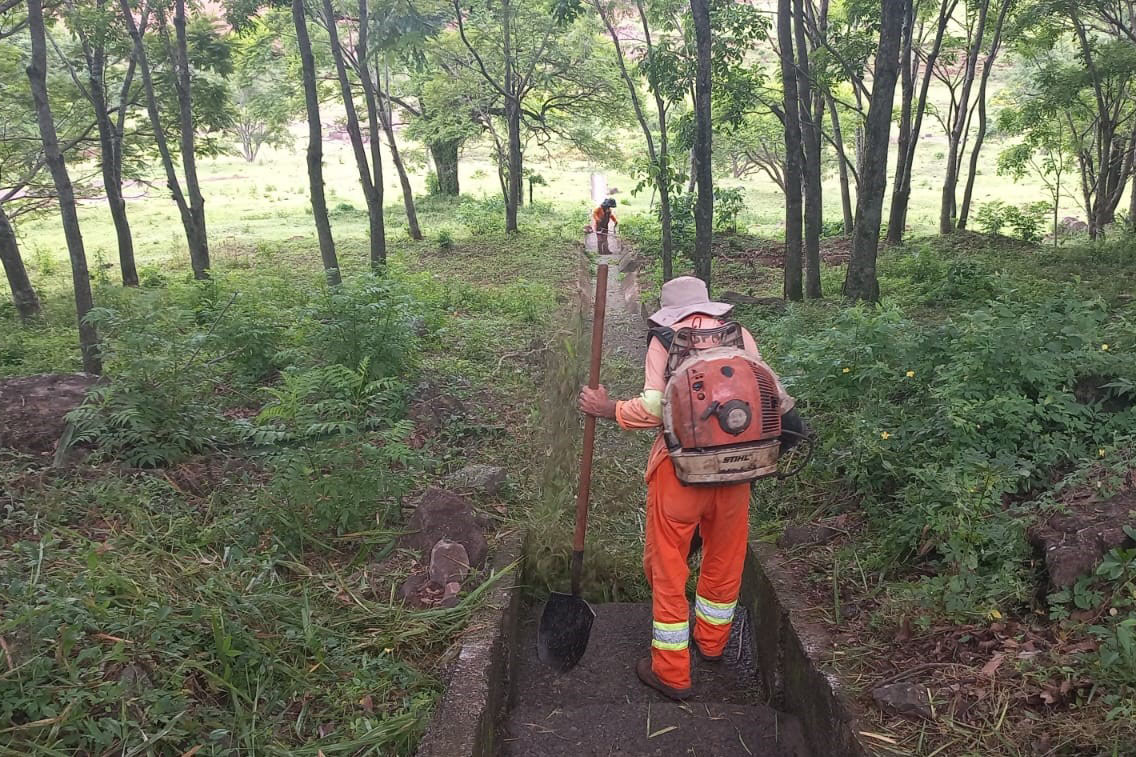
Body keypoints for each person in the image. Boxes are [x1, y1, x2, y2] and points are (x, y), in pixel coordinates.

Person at [577, 276, 806, 701]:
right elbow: (767, 396)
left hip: (680, 472)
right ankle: (712, 642)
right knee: (725, 556)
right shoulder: (738, 334)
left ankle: (671, 671)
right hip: (737, 470)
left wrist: (610, 409)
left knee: (668, 566)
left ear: (668, 312)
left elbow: (653, 408)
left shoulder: (666, 340)